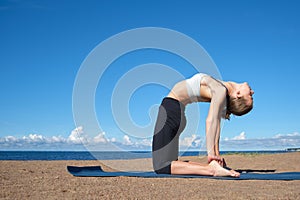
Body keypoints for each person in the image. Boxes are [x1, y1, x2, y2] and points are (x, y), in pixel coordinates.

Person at [152, 73, 254, 177]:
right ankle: (213, 168)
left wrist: (212, 155)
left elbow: (212, 121)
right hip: (175, 112)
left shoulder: (220, 89)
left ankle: (212, 170)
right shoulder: (222, 90)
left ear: (238, 95)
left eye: (250, 95)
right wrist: (216, 156)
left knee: (161, 166)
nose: (252, 92)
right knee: (170, 162)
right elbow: (216, 123)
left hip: (170, 111)